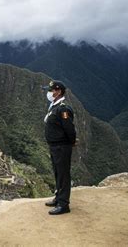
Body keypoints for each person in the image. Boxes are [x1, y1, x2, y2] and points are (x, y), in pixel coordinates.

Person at [42, 80, 76, 215]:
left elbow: (70, 129)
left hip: (62, 147)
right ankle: (58, 197)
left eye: (51, 91)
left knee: (63, 174)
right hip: (55, 146)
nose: (49, 93)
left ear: (58, 92)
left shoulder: (63, 109)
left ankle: (64, 205)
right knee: (57, 173)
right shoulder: (54, 106)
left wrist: (71, 142)